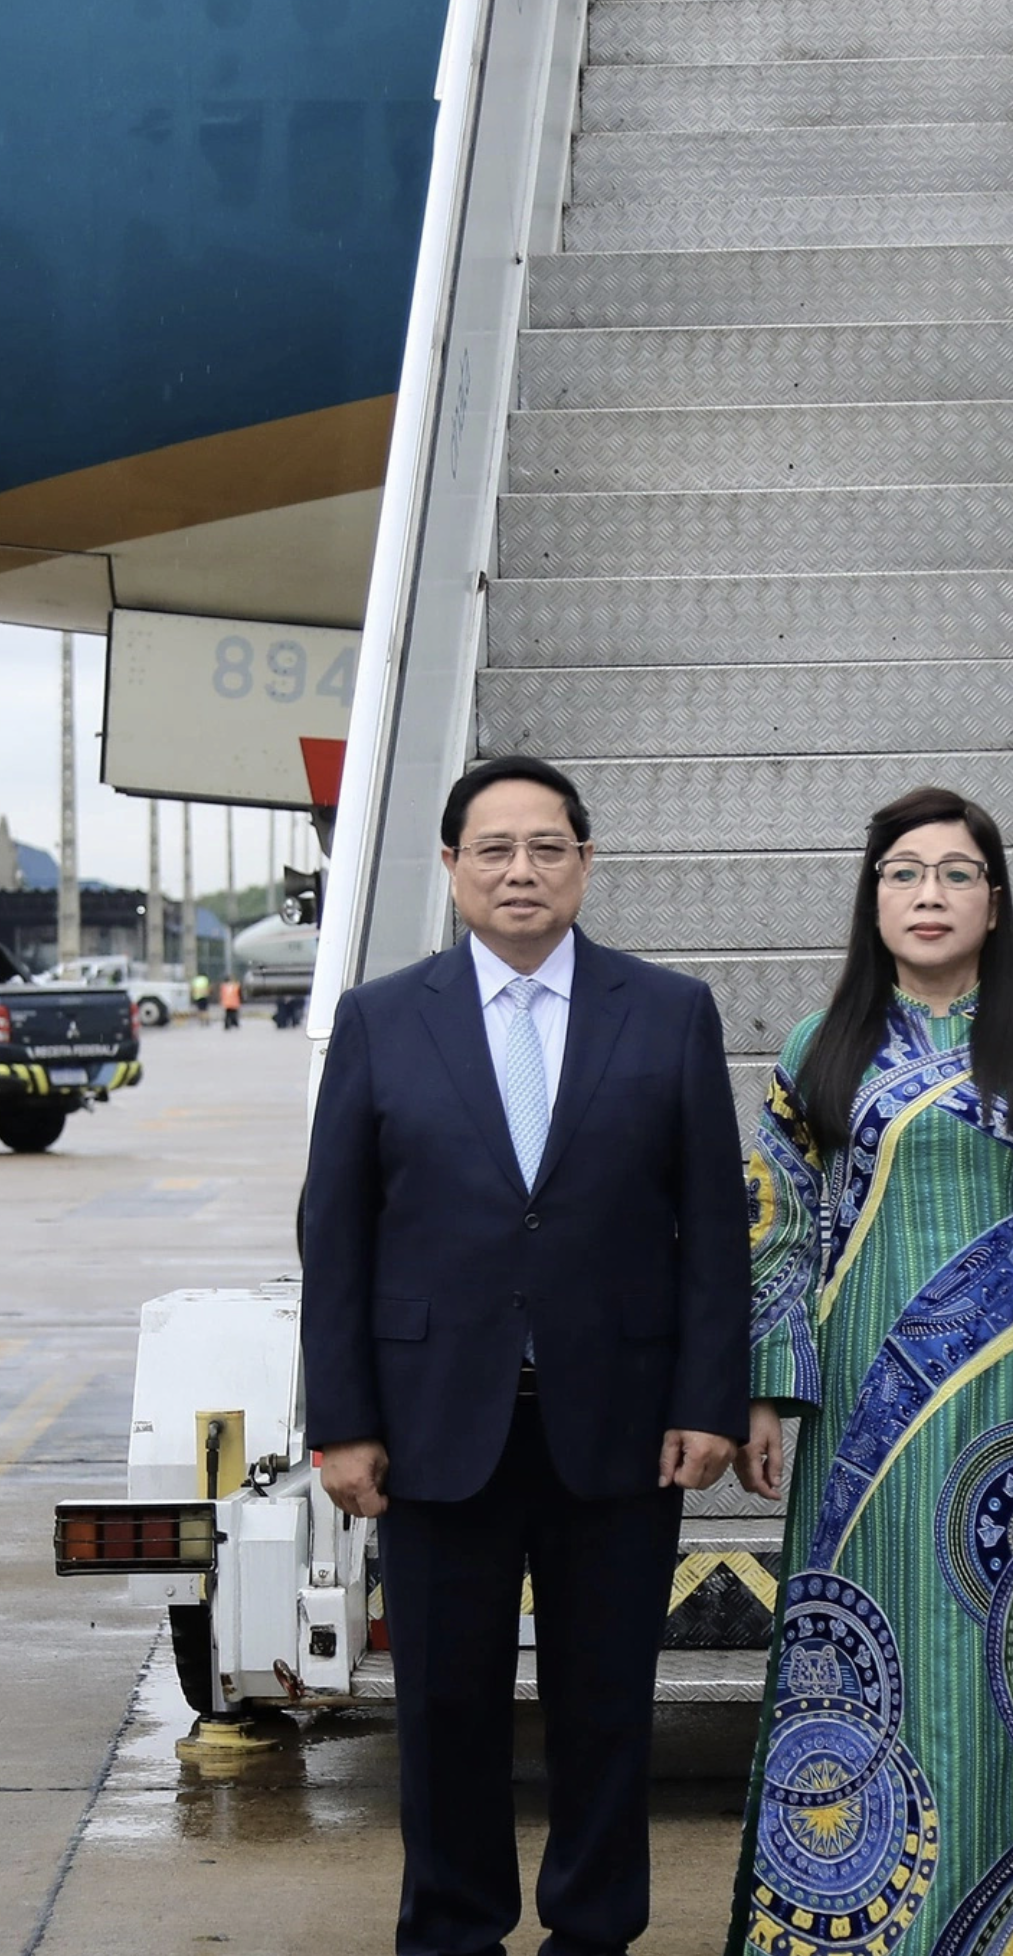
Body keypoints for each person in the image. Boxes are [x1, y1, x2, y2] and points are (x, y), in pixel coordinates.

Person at [728, 785, 1013, 1956]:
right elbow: (777, 1229)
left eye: (955, 872)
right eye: (903, 872)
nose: (928, 893)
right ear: (873, 899)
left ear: (994, 901)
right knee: (858, 1662)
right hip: (861, 1414)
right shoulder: (818, 1046)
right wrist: (770, 1387)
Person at [299, 754, 749, 1956]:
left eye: (547, 847)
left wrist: (710, 1397)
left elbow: (713, 1226)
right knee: (446, 1703)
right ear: (451, 866)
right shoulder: (383, 1017)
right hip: (435, 1421)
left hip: (620, 1419)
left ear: (585, 864)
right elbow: (335, 1233)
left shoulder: (669, 1011)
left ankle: (593, 1928)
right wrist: (342, 1420)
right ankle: (453, 1927)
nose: (521, 870)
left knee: (606, 1701)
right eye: (493, 848)